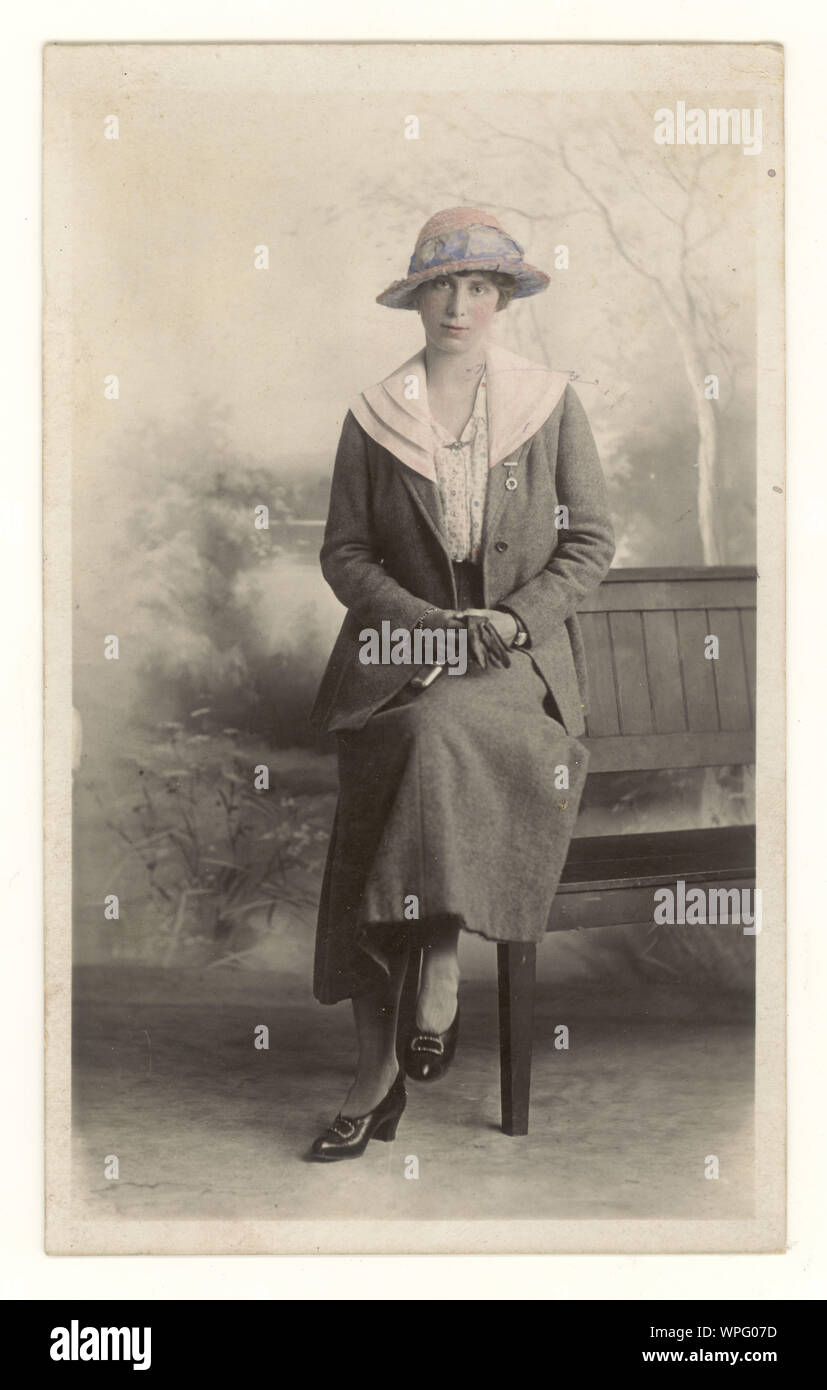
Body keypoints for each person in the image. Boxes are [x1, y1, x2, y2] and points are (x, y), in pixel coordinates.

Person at [308, 207, 615, 1160]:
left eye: (480, 286)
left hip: (514, 671)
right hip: (398, 665)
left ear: (503, 300)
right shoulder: (374, 413)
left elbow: (589, 542)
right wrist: (421, 622)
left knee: (433, 737)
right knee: (394, 765)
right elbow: (346, 553)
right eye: (443, 285)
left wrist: (509, 620)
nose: (460, 304)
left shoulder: (547, 401)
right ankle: (417, 982)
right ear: (417, 297)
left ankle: (391, 1046)